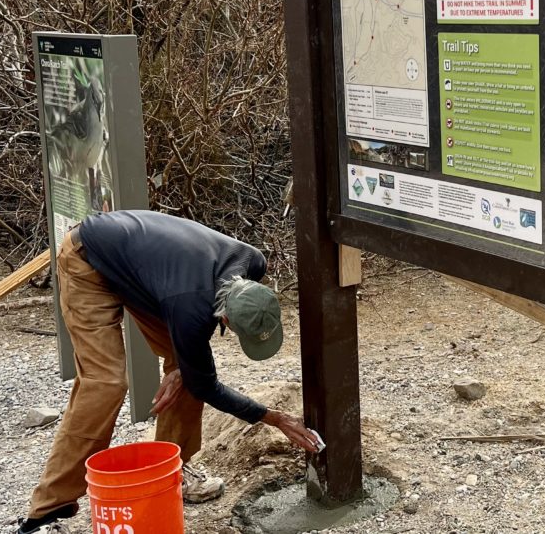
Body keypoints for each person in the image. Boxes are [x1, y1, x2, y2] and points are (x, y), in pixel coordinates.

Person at [17, 210, 320, 534]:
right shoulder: (189, 306)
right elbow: (206, 384)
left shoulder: (253, 262)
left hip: (150, 276)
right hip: (88, 260)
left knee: (186, 370)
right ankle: (47, 509)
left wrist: (184, 367)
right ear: (226, 319)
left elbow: (195, 345)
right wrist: (273, 418)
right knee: (105, 383)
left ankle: (173, 469)